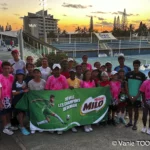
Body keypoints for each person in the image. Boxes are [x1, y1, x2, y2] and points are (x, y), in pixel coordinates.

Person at [45, 64, 68, 135]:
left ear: (60, 70)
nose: (56, 71)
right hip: (52, 100)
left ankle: (60, 127)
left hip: (60, 99)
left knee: (60, 113)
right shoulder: (50, 78)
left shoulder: (63, 78)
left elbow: (66, 89)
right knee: (52, 113)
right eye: (55, 69)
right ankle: (52, 127)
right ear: (53, 70)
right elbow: (46, 89)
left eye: (58, 69)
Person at [126, 60, 146, 130]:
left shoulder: (142, 75)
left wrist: (137, 96)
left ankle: (135, 124)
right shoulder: (128, 74)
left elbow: (142, 87)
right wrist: (128, 95)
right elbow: (126, 85)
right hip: (128, 95)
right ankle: (130, 122)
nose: (136, 66)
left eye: (137, 65)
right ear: (133, 65)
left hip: (137, 97)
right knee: (129, 109)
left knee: (136, 110)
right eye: (135, 65)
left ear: (139, 66)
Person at [0, 62, 17, 135]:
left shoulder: (12, 77)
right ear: (2, 69)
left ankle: (9, 125)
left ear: (10, 69)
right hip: (2, 99)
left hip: (10, 98)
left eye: (8, 68)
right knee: (3, 113)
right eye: (5, 68)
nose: (6, 70)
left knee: (9, 112)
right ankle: (5, 128)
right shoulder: (0, 77)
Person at [12, 69, 30, 135]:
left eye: (21, 74)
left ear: (23, 75)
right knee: (20, 114)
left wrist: (26, 89)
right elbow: (13, 93)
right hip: (17, 101)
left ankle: (20, 124)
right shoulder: (14, 83)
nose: (20, 76)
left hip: (24, 101)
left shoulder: (25, 82)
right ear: (16, 75)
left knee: (24, 114)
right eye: (19, 74)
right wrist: (22, 90)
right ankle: (22, 127)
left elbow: (28, 89)